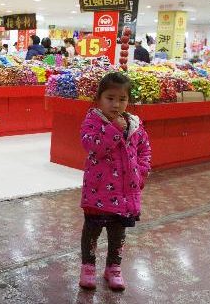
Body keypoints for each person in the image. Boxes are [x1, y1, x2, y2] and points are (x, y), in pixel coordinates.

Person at [78, 72, 152, 291]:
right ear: (99, 98)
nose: (116, 104)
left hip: (124, 194)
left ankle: (114, 268)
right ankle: (88, 267)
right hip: (97, 193)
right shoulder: (93, 121)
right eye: (110, 98)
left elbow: (144, 149)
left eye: (122, 99)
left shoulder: (134, 125)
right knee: (91, 231)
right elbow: (92, 146)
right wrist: (113, 129)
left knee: (118, 234)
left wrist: (142, 170)